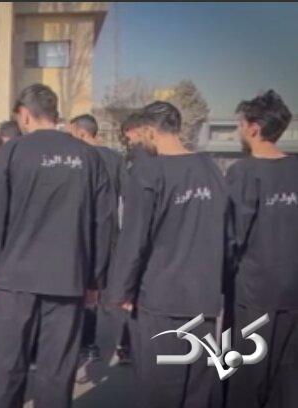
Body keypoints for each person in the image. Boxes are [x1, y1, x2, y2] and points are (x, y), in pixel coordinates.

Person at [0, 84, 114, 408]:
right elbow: (104, 222)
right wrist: (95, 278)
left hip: (16, 276)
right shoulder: (88, 156)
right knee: (57, 370)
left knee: (4, 368)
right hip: (68, 276)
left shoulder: (13, 151)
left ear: (25, 114)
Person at [107, 101, 228, 408]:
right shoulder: (210, 168)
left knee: (158, 391)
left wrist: (121, 291)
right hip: (204, 300)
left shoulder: (149, 172)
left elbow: (134, 239)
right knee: (196, 390)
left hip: (161, 300)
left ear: (150, 130)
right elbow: (225, 232)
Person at [226, 90, 297, 408]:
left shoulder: (243, 172)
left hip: (255, 295)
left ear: (254, 128)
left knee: (246, 381)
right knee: (287, 383)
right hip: (293, 294)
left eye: (240, 125)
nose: (238, 131)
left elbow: (232, 236)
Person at [68, 114, 124, 365]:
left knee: (79, 289)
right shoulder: (115, 158)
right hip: (108, 233)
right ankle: (92, 344)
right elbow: (125, 197)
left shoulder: (78, 157)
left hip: (79, 231)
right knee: (97, 290)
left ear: (81, 133)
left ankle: (79, 342)